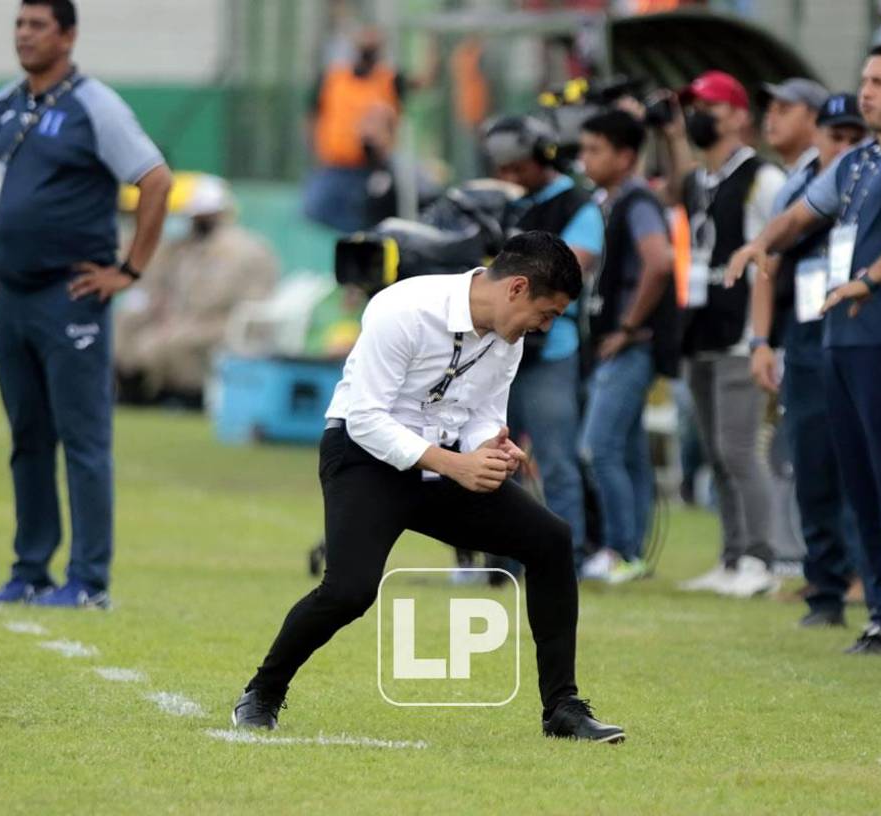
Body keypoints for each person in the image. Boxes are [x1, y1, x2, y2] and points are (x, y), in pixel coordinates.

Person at [233, 232, 625, 744]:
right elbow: (365, 419)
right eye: (546, 313)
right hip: (363, 458)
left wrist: (493, 449)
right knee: (349, 592)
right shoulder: (404, 308)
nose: (544, 326)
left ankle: (563, 709)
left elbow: (483, 415)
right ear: (517, 289)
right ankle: (262, 693)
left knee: (550, 540)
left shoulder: (509, 338)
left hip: (446, 463)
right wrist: (457, 465)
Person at [728, 43, 881, 654]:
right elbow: (801, 215)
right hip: (839, 342)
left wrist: (871, 278)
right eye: (864, 79)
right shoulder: (858, 160)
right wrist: (760, 246)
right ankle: (879, 613)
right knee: (858, 488)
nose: (867, 91)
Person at [0, 0, 172, 608]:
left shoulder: (94, 105)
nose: (24, 35)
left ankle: (88, 581)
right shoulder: (1, 106)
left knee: (83, 439)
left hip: (69, 295)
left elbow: (155, 179)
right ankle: (30, 570)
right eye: (19, 25)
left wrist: (129, 269)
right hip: (10, 293)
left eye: (38, 25)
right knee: (27, 435)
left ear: (68, 36)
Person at [733, 93, 870, 628]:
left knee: (866, 465)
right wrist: (761, 341)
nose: (843, 149)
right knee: (813, 466)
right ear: (818, 135)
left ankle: (876, 586)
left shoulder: (879, 182)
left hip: (864, 338)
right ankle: (827, 590)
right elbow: (768, 261)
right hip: (809, 340)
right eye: (835, 137)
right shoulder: (798, 189)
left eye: (853, 139)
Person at [663, 70, 786, 598]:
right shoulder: (699, 180)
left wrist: (763, 336)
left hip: (740, 334)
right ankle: (733, 556)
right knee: (715, 452)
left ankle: (762, 557)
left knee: (739, 450)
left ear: (738, 115)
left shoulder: (763, 178)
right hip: (701, 330)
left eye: (709, 105)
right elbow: (675, 187)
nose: (698, 115)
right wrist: (668, 136)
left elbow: (774, 254)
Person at [482, 114, 604, 573]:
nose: (510, 177)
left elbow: (569, 268)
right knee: (492, 457)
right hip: (497, 348)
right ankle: (500, 560)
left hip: (552, 351)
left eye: (518, 167)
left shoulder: (577, 205)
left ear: (543, 157)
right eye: (503, 169)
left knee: (556, 460)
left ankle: (562, 558)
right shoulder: (505, 202)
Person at [574, 110, 678, 583]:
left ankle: (621, 551)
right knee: (629, 450)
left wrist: (628, 326)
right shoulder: (611, 201)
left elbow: (659, 262)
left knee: (599, 446)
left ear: (626, 156)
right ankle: (632, 554)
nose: (585, 159)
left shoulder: (637, 201)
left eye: (595, 149)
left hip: (630, 345)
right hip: (619, 343)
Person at [114, 175, 279, 406]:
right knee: (132, 330)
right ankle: (135, 393)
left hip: (226, 321)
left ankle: (185, 398)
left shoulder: (247, 249)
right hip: (186, 318)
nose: (196, 222)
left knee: (171, 341)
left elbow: (252, 299)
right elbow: (166, 283)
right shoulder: (188, 248)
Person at [304, 27, 407, 233]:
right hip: (334, 165)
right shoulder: (334, 78)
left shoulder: (389, 79)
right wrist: (314, 149)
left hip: (369, 168)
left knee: (367, 218)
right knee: (313, 209)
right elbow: (311, 115)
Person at [759, 78, 827, 175]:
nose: (770, 118)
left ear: (814, 119)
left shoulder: (824, 173)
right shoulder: (779, 174)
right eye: (769, 110)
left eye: (783, 110)